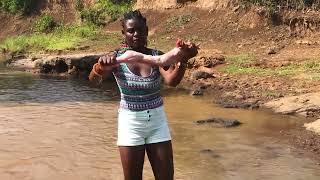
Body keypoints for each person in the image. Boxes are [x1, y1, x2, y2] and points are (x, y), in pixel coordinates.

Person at [88, 10, 198, 180]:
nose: (136, 34)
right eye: (131, 31)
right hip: (130, 123)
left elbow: (172, 81)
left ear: (147, 31)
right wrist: (101, 68)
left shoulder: (156, 56)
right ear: (124, 33)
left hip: (157, 122)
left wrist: (183, 59)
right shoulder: (116, 58)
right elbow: (94, 82)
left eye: (140, 30)